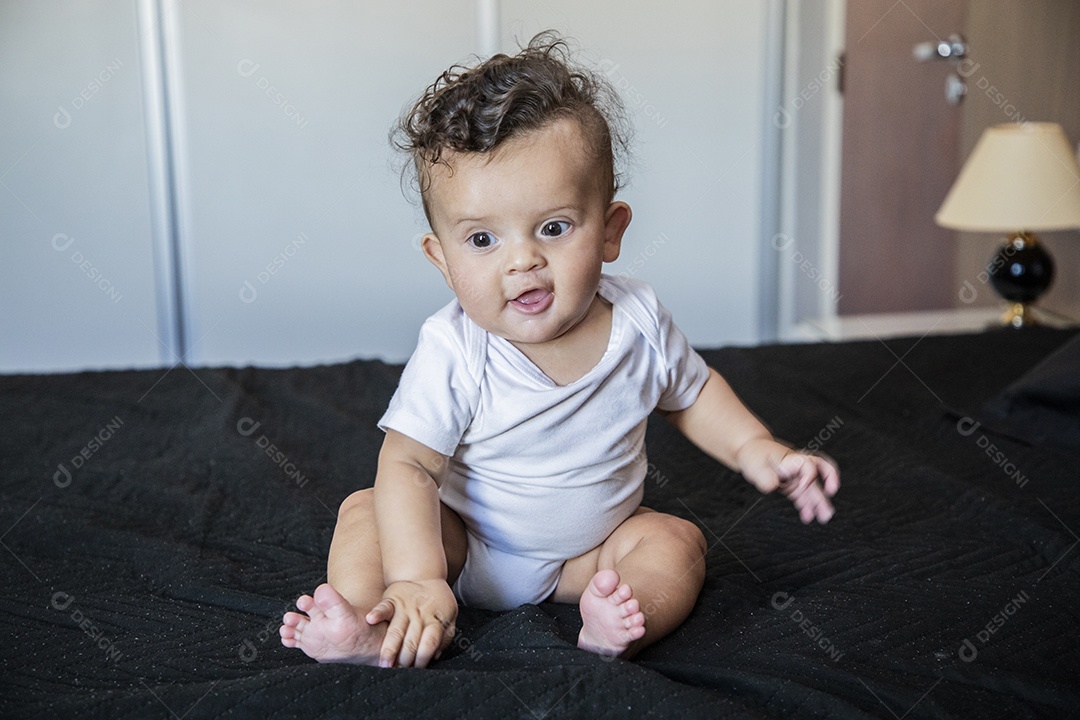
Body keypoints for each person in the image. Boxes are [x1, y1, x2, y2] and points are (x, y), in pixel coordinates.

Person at [279, 32, 839, 669]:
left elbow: (692, 393)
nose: (523, 260)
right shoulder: (455, 347)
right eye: (483, 239)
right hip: (460, 545)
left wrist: (755, 447)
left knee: (677, 541)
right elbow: (409, 464)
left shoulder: (639, 322)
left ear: (610, 232)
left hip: (589, 557)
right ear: (442, 260)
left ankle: (620, 623)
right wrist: (416, 575)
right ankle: (372, 624)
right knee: (364, 511)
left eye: (553, 228)